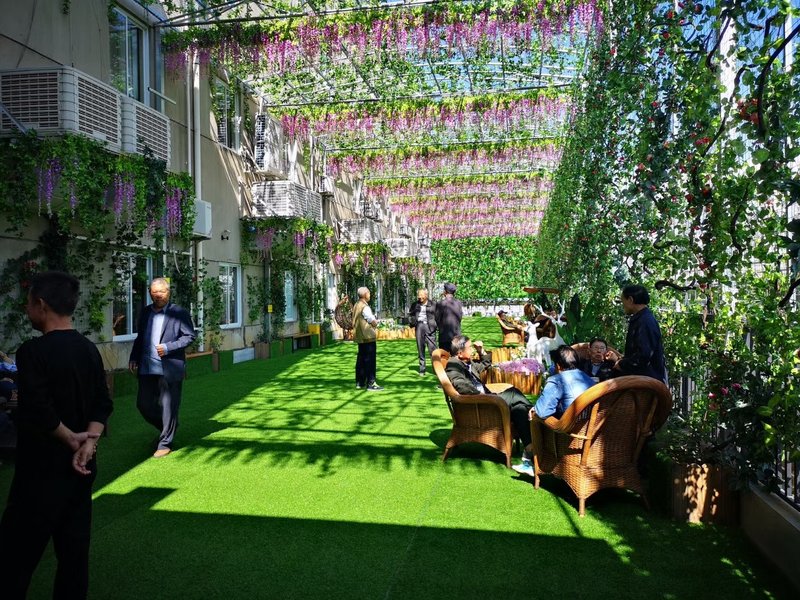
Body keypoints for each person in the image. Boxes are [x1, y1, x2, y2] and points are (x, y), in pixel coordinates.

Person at [0, 271, 113, 599]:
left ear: (41, 305)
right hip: (82, 468)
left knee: (12, 560)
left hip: (40, 472)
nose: (26, 310)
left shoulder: (32, 351)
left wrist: (71, 439)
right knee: (73, 557)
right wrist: (88, 442)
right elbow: (102, 403)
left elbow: (39, 408)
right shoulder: (89, 349)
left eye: (27, 303)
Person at [129, 277, 196, 458]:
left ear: (169, 292)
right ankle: (168, 427)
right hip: (147, 367)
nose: (158, 295)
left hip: (169, 367)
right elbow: (140, 337)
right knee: (143, 405)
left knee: (168, 407)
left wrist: (168, 347)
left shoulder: (179, 313)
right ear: (150, 293)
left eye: (162, 292)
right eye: (154, 292)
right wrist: (134, 357)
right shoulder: (145, 312)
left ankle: (165, 442)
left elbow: (189, 336)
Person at [513, 345, 595, 476]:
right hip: (589, 432)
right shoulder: (588, 379)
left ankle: (531, 460)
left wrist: (534, 410)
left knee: (534, 415)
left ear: (558, 365)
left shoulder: (557, 380)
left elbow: (542, 411)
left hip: (565, 435)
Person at [446, 335, 533, 455]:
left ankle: (529, 447)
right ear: (460, 353)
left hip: (487, 400)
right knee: (513, 392)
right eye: (469, 348)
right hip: (480, 406)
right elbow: (460, 385)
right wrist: (482, 396)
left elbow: (485, 364)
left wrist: (480, 351)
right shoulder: (453, 365)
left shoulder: (466, 363)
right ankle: (534, 412)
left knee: (519, 408)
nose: (472, 350)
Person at [611, 284, 668, 385]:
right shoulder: (643, 319)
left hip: (647, 383)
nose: (623, 305)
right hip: (644, 380)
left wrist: (621, 364)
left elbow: (642, 356)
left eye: (623, 301)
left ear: (630, 300)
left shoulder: (645, 322)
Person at [353, 286, 383, 391]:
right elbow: (371, 319)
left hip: (360, 337)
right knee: (370, 360)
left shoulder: (356, 305)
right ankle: (371, 383)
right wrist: (375, 323)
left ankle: (360, 382)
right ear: (365, 294)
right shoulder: (365, 307)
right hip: (368, 336)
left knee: (361, 359)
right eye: (369, 293)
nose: (370, 295)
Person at [409, 288, 437, 376]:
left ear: (426, 295)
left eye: (421, 295)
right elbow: (411, 315)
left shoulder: (433, 304)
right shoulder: (415, 305)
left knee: (433, 349)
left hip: (430, 327)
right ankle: (422, 369)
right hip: (419, 327)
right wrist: (412, 321)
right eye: (418, 295)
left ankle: (436, 369)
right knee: (420, 348)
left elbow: (438, 316)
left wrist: (435, 325)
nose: (419, 297)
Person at [435, 282, 463, 352]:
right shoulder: (459, 303)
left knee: (445, 357)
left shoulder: (440, 303)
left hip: (444, 336)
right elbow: (460, 317)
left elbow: (437, 319)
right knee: (456, 356)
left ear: (445, 291)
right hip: (457, 336)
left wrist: (440, 327)